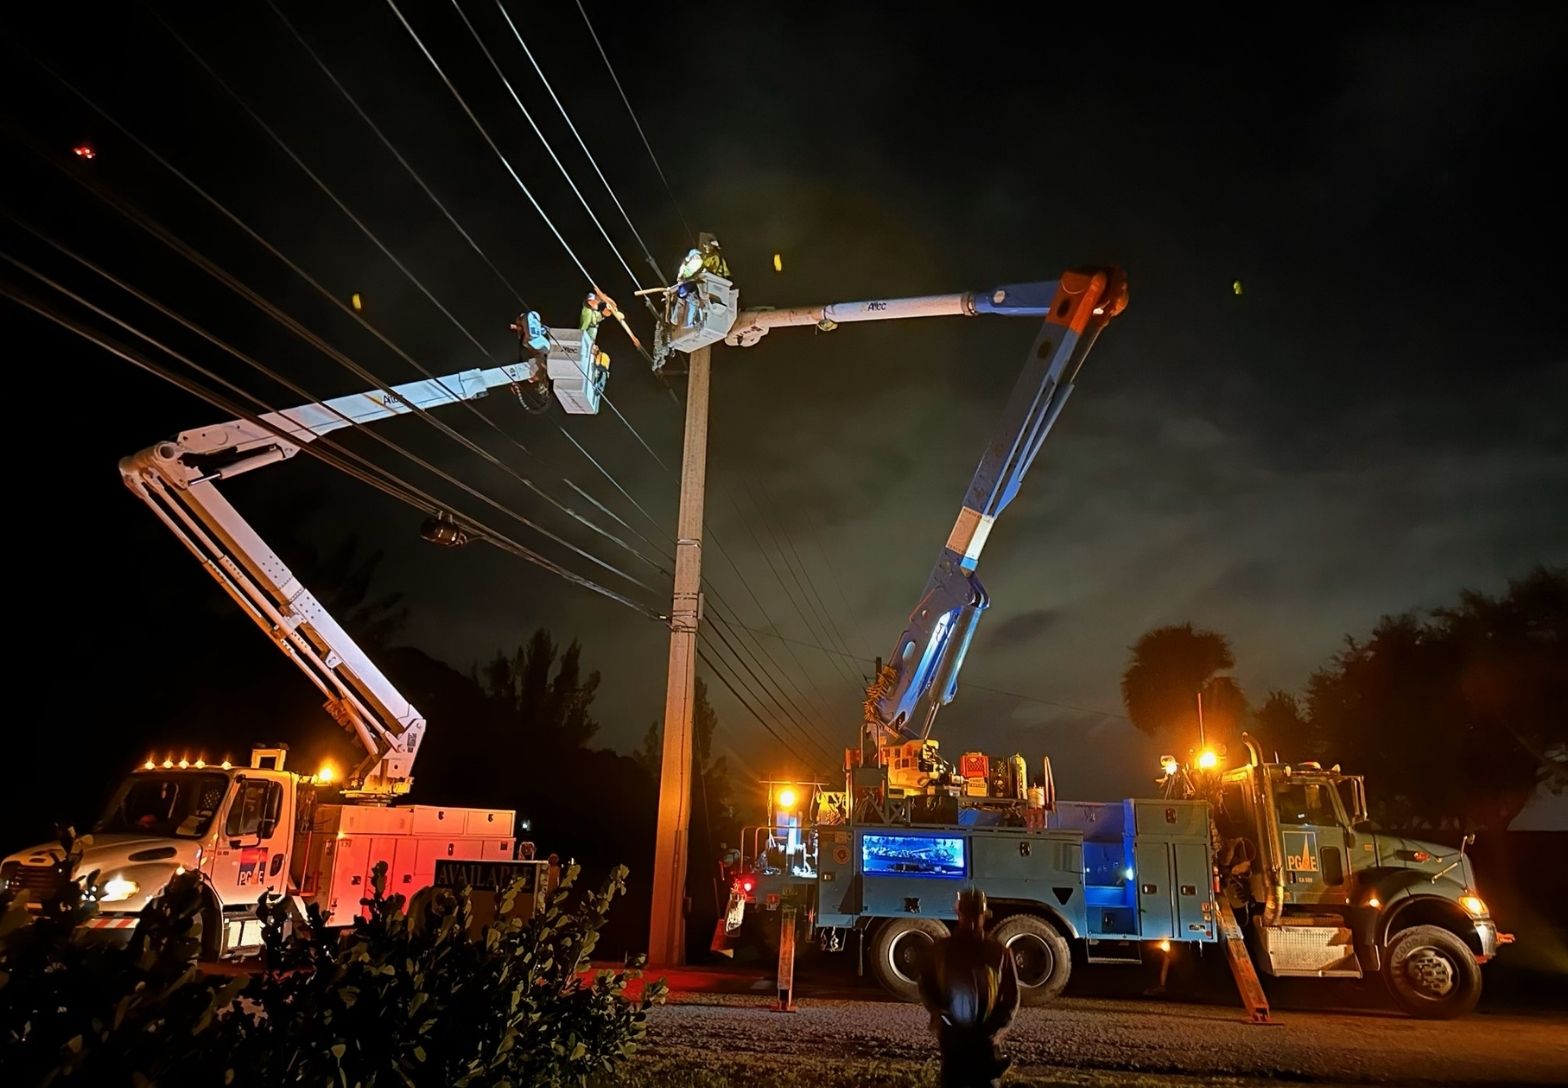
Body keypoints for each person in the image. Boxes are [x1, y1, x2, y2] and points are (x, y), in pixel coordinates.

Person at [917, 886, 1020, 1088]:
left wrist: (997, 1029)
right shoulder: (941, 950)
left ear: (983, 917)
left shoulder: (999, 952)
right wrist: (939, 1015)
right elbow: (927, 986)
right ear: (960, 915)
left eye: (976, 916)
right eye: (969, 916)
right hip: (954, 1039)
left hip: (984, 1040)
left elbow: (1011, 997)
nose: (972, 922)